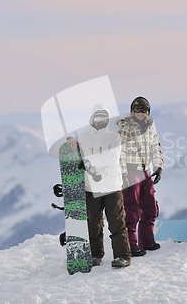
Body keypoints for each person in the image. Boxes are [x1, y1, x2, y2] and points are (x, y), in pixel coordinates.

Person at [67, 105, 131, 268]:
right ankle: (95, 254)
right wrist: (69, 140)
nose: (100, 121)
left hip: (112, 186)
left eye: (103, 118)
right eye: (97, 118)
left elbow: (111, 158)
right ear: (91, 119)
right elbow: (73, 149)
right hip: (91, 186)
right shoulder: (83, 137)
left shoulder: (113, 137)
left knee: (116, 221)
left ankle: (122, 256)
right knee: (93, 222)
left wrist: (90, 161)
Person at [118, 96, 163, 257]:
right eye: (137, 109)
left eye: (143, 109)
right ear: (132, 111)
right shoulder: (126, 126)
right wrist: (122, 173)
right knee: (132, 208)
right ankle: (131, 244)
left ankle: (147, 240)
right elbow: (120, 150)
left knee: (150, 206)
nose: (140, 112)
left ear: (148, 112)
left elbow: (155, 146)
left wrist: (158, 167)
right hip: (131, 170)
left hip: (146, 171)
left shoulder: (150, 126)